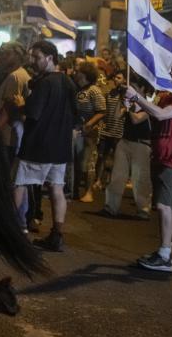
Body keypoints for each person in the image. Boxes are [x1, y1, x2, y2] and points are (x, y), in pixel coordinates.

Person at [125, 54, 172, 272]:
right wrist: (132, 102)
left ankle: (164, 255)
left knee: (164, 206)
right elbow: (144, 115)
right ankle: (165, 253)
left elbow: (161, 115)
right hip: (160, 158)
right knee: (161, 207)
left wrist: (138, 97)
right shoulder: (166, 96)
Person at [13, 41, 78, 251]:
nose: (33, 61)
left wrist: (20, 104)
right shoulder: (68, 82)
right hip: (60, 147)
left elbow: (32, 113)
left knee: (19, 183)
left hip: (38, 145)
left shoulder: (45, 83)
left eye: (37, 57)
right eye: (32, 57)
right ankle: (57, 234)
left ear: (50, 57)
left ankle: (12, 230)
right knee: (56, 188)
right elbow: (77, 115)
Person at [104, 75, 153, 219]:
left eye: (134, 87)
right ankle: (110, 207)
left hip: (141, 144)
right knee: (117, 176)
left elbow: (137, 119)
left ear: (142, 89)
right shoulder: (128, 101)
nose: (130, 90)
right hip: (124, 141)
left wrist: (128, 107)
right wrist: (122, 103)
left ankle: (143, 210)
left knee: (140, 179)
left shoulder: (149, 103)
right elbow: (117, 116)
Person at [73, 62, 106, 202]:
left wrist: (90, 123)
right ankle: (73, 190)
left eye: (79, 71)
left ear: (85, 74)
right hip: (77, 129)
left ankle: (89, 192)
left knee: (87, 162)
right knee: (76, 161)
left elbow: (102, 110)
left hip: (90, 131)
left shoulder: (94, 90)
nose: (76, 73)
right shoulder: (78, 89)